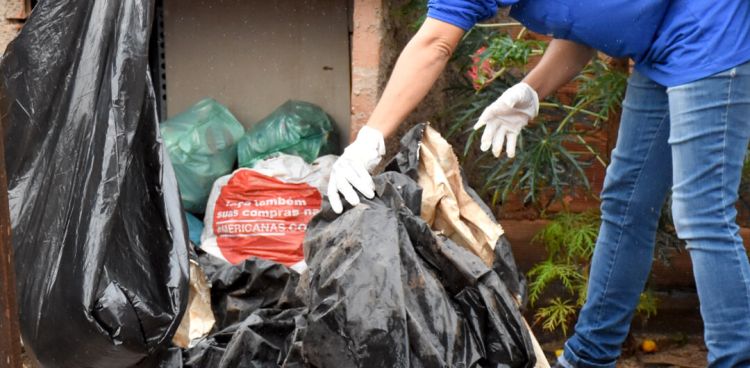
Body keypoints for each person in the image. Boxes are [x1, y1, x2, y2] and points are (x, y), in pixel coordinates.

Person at [326, 1, 750, 367]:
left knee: (701, 213)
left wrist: (371, 137)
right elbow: (590, 21)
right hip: (663, 45)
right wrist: (531, 90)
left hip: (711, 28)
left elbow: (434, 43)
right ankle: (588, 357)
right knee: (626, 205)